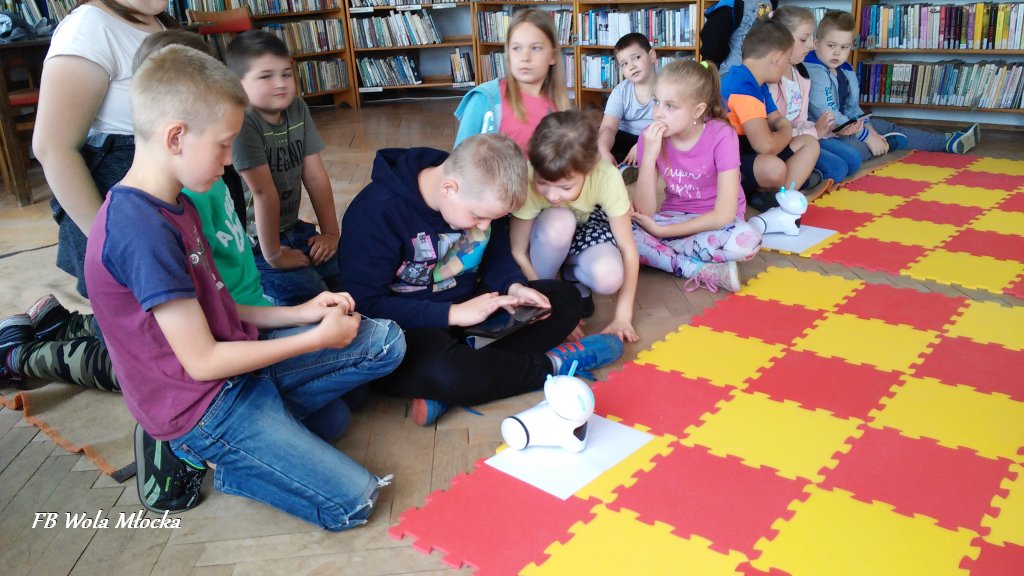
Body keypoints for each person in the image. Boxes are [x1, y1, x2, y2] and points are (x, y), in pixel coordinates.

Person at [83, 45, 405, 525]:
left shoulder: (178, 201)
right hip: (202, 407)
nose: (229, 160)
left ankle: (269, 431)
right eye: (223, 145)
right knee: (353, 502)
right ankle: (219, 455)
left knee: (385, 342)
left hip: (239, 366)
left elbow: (221, 307)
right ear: (176, 137)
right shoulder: (140, 231)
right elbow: (202, 362)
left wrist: (302, 314)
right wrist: (315, 339)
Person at [339, 134, 624, 427]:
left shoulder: (481, 193)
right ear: (449, 188)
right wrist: (453, 314)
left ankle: (463, 385)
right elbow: (366, 306)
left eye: (492, 219)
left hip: (475, 310)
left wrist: (515, 286)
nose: (485, 226)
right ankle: (553, 365)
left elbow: (496, 253)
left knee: (564, 300)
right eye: (478, 217)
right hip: (412, 326)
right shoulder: (375, 212)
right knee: (444, 372)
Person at [33, 0, 176, 298]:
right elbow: (54, 148)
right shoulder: (89, 27)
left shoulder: (159, 21)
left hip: (173, 213)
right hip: (126, 221)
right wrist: (110, 245)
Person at [226, 30, 345, 306]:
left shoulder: (297, 108)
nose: (280, 83)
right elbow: (263, 193)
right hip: (256, 243)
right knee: (312, 294)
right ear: (237, 85)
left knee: (347, 272)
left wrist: (331, 234)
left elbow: (315, 176)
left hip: (292, 227)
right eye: (266, 76)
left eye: (286, 74)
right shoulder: (242, 121)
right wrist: (274, 256)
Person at [510, 111, 641, 343]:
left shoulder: (607, 176)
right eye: (543, 182)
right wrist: (555, 308)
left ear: (589, 171)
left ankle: (569, 274)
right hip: (544, 238)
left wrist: (623, 316)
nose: (552, 195)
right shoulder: (529, 175)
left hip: (586, 226)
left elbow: (628, 249)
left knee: (610, 277)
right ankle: (552, 281)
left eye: (565, 187)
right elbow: (518, 251)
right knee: (560, 220)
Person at [631, 60, 761, 293]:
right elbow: (645, 212)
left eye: (670, 106)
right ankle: (695, 267)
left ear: (698, 111)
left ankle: (667, 255)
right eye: (656, 101)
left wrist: (661, 233)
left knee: (749, 239)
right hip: (675, 217)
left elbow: (724, 214)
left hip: (717, 224)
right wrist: (649, 157)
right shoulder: (649, 138)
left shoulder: (722, 135)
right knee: (618, 230)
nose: (658, 113)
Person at [805, 10, 979, 161]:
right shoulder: (815, 72)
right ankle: (887, 143)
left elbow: (852, 108)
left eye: (844, 47)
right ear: (816, 43)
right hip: (829, 134)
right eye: (831, 45)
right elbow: (831, 118)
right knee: (855, 150)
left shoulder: (845, 68)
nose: (837, 52)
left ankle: (946, 141)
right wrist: (867, 136)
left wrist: (868, 127)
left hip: (850, 127)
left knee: (888, 127)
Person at [720, 18, 820, 211]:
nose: (786, 67)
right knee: (775, 169)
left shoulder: (758, 82)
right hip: (728, 163)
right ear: (777, 58)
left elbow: (776, 119)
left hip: (750, 152)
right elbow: (765, 145)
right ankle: (772, 194)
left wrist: (782, 128)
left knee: (809, 143)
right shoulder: (743, 87)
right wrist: (786, 130)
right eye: (787, 60)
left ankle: (778, 196)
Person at [767, 6, 861, 186]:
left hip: (803, 137)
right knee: (837, 168)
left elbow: (802, 120)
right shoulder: (771, 80)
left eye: (811, 38)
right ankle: (800, 177)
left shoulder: (801, 74)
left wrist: (832, 130)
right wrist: (814, 132)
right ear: (781, 40)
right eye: (804, 39)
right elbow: (773, 132)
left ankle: (804, 175)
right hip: (782, 143)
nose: (811, 45)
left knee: (853, 160)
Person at [453, 8, 571, 150]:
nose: (525, 57)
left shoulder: (559, 105)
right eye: (516, 48)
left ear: (553, 56)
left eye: (536, 48)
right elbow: (458, 159)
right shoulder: (485, 99)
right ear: (508, 53)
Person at [597, 33, 658, 173]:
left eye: (636, 58)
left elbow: (670, 124)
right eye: (624, 64)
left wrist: (642, 143)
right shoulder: (620, 92)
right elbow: (608, 128)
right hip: (626, 138)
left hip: (654, 136)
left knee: (671, 141)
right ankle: (624, 168)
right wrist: (604, 150)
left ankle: (633, 167)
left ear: (652, 56)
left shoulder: (668, 86)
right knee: (600, 142)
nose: (631, 66)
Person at [700, 0, 779, 74]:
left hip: (730, 72)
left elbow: (711, 46)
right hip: (762, 72)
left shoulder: (729, 5)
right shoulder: (771, 3)